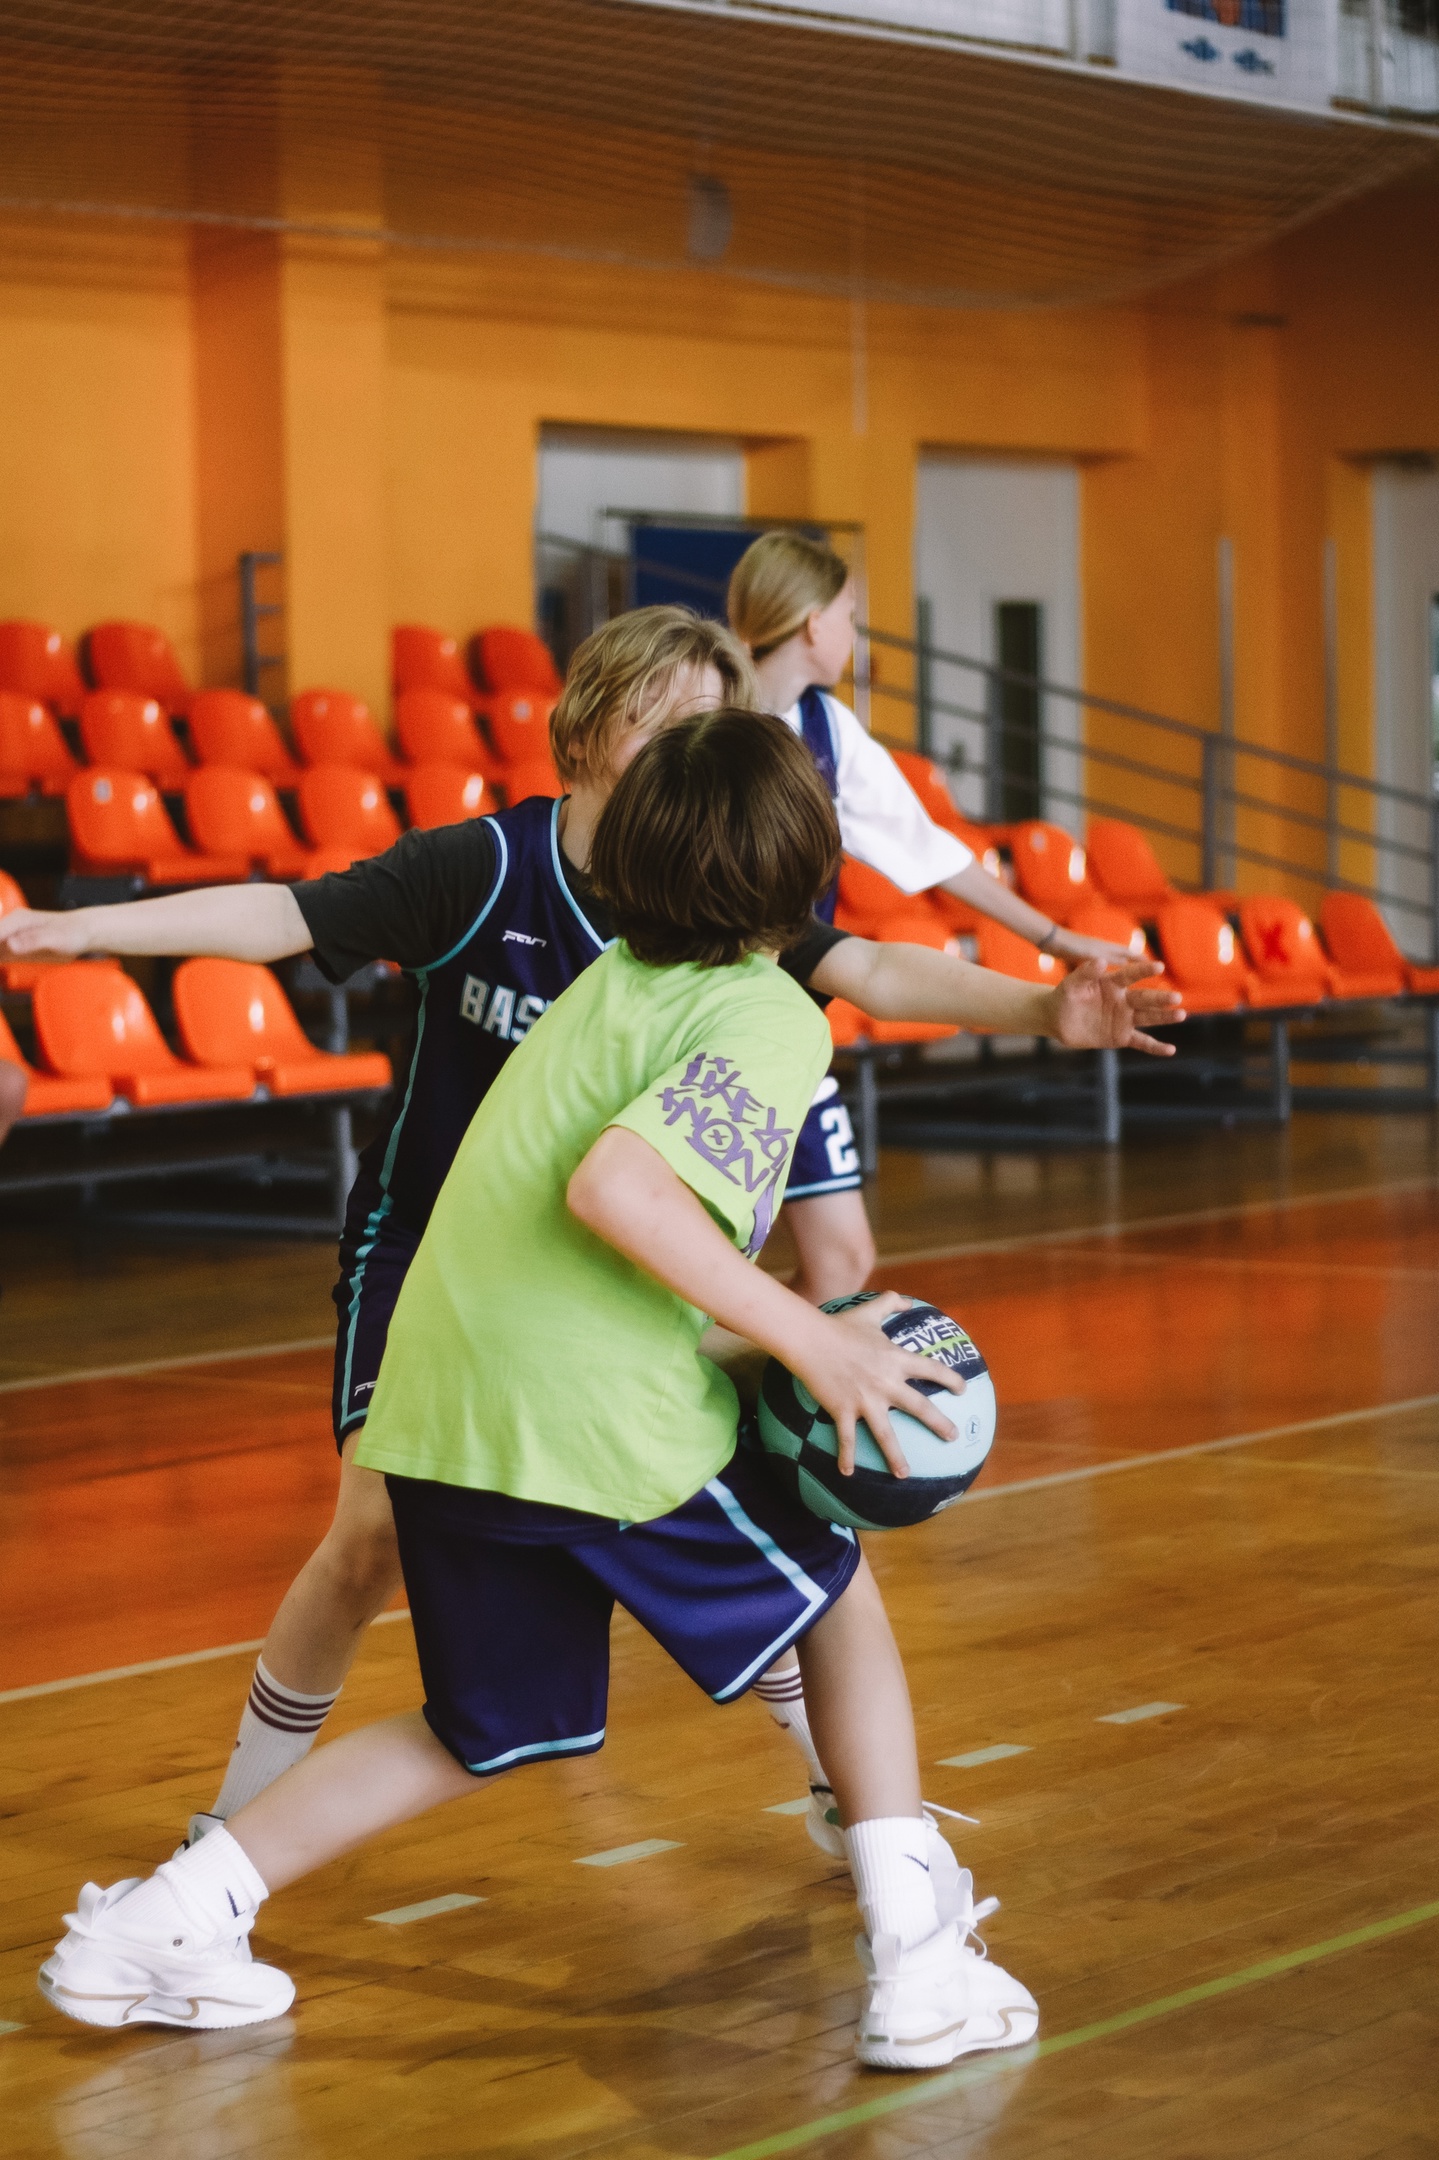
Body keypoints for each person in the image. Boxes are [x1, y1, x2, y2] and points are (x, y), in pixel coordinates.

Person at [0, 608, 1179, 1856]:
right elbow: (290, 917)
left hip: (617, 1269)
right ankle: (232, 1824)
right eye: (669, 713)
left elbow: (878, 971)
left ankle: (849, 1794)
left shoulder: (713, 892)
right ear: (597, 723)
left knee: (753, 1501)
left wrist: (1046, 1009)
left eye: (714, 721)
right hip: (442, 1259)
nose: (694, 739)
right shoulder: (488, 870)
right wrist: (80, 932)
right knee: (363, 1542)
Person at [38, 708, 1041, 2071]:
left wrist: (755, 1338)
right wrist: (815, 1343)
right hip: (575, 1422)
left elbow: (586, 1252)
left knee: (482, 1725)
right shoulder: (761, 1015)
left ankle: (162, 1923)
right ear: (809, 871)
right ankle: (921, 1968)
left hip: (444, 1408)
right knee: (835, 1594)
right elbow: (615, 1194)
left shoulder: (604, 982)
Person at [729, 529, 1133, 1306]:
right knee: (699, 1267)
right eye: (849, 614)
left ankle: (749, 1411)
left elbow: (931, 849)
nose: (854, 633)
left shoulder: (827, 729)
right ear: (814, 623)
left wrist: (1051, 934)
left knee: (842, 1262)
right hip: (702, 1022)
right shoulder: (709, 719)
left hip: (787, 1024)